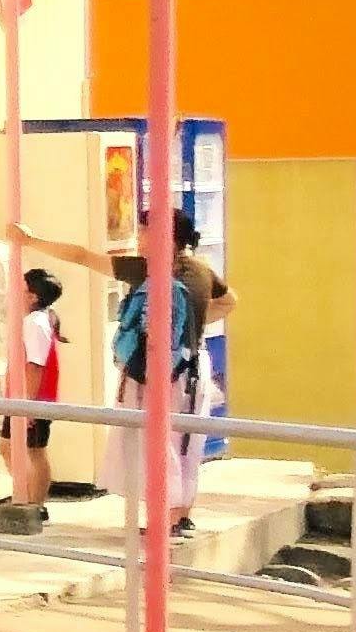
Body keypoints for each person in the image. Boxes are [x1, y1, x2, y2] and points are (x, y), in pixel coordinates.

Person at [24, 204, 225, 539]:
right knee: (186, 445)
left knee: (158, 444)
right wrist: (195, 324)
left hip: (160, 374)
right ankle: (180, 516)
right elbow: (230, 300)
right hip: (193, 368)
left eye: (146, 230)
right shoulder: (202, 270)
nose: (140, 236)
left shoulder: (147, 270)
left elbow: (81, 256)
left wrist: (30, 241)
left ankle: (164, 520)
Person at [0, 266, 64, 533]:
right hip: (34, 396)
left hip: (30, 397)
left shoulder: (33, 322)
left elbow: (34, 365)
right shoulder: (42, 319)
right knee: (31, 450)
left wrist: (27, 404)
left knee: (19, 448)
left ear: (32, 296)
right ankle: (33, 499)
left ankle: (31, 500)